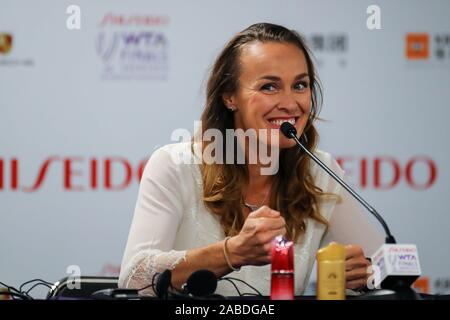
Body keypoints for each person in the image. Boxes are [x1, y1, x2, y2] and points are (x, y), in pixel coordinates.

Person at [118, 23, 384, 296]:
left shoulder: (319, 171)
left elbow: (385, 269)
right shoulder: (176, 165)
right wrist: (231, 252)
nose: (290, 103)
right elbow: (133, 278)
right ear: (230, 96)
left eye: (300, 85)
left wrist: (367, 277)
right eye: (269, 87)